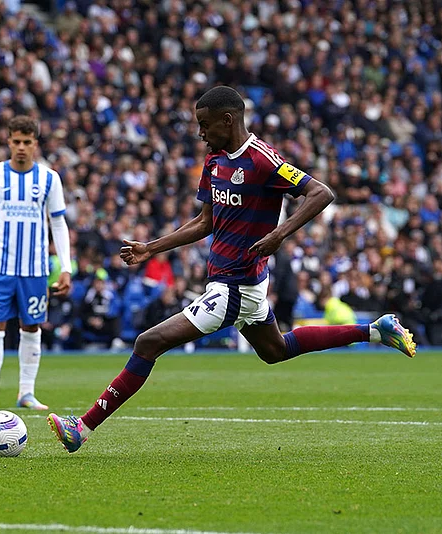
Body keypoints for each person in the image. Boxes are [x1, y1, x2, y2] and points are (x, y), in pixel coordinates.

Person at [48, 86, 416, 453]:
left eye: (205, 125)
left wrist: (279, 234)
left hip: (235, 287)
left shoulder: (262, 160)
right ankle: (375, 330)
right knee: (276, 349)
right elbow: (204, 222)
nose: (200, 133)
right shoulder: (215, 161)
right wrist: (150, 247)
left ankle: (82, 426)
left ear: (229, 120)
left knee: (148, 342)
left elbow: (320, 192)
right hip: (239, 284)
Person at [0, 115, 72, 412]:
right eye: (17, 142)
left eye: (28, 142)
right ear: (8, 141)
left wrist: (66, 266)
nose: (22, 148)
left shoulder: (49, 179)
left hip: (35, 269)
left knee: (31, 327)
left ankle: (26, 392)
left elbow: (59, 224)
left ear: (35, 144)